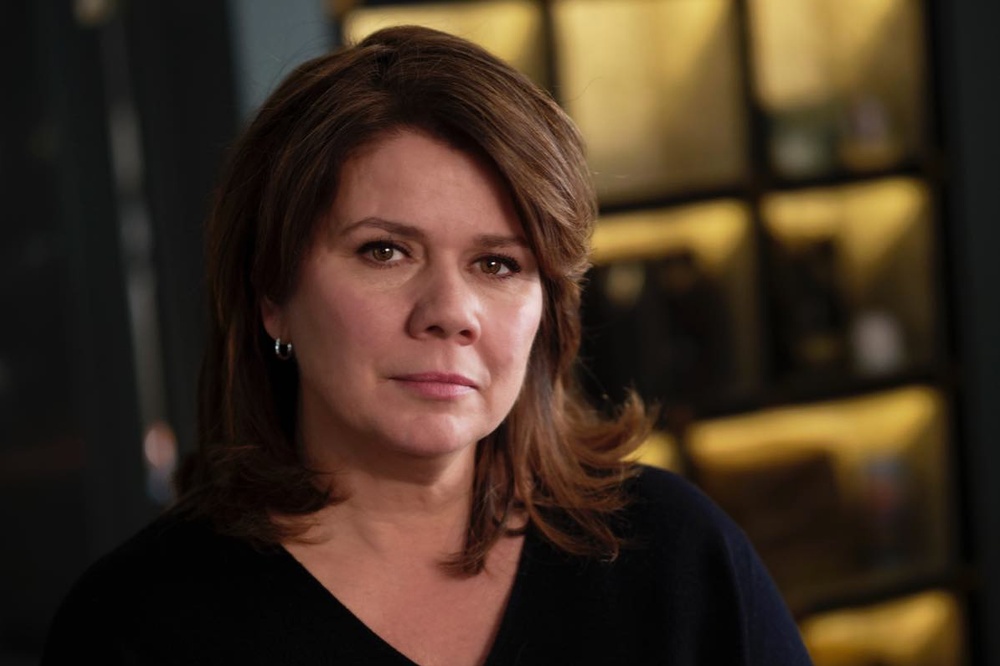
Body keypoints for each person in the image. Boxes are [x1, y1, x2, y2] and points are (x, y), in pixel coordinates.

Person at [42, 25, 813, 665]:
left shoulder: (674, 556)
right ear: (271, 295)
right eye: (385, 252)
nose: (450, 313)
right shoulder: (136, 625)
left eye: (497, 264)